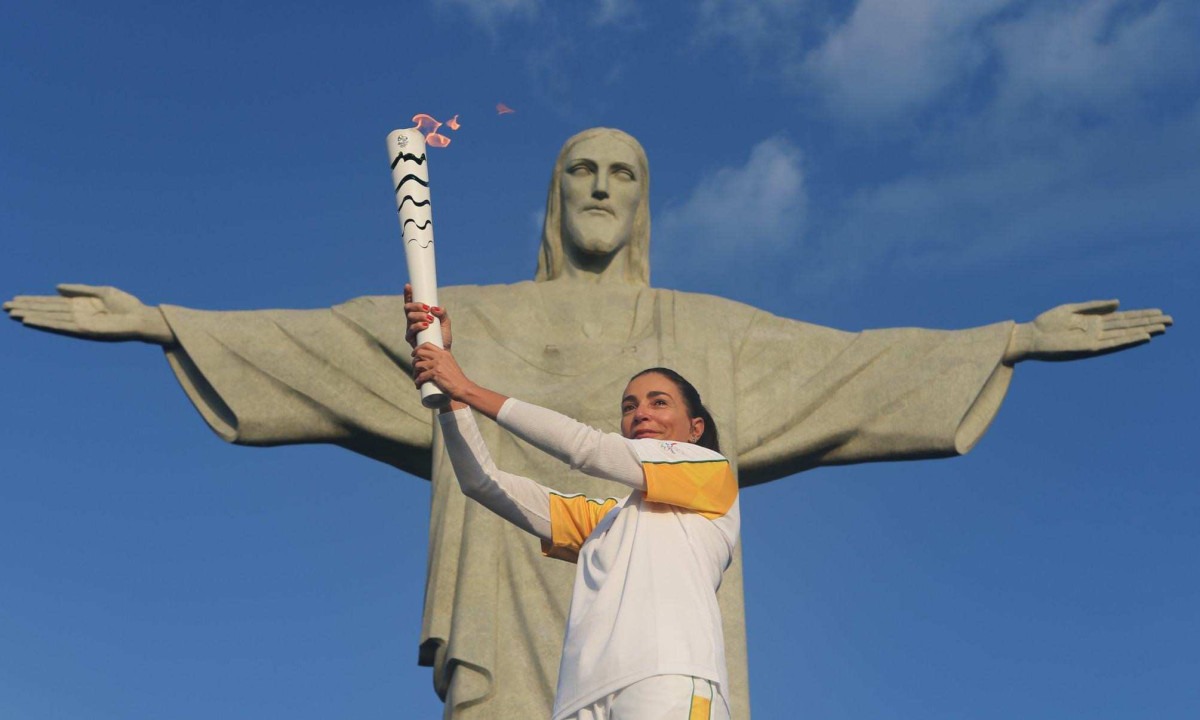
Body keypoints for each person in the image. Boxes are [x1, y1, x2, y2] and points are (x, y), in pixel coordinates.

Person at [2, 128, 1171, 719]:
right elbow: (320, 345)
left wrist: (1006, 338)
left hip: (665, 660)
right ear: (554, 200)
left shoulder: (703, 336)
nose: (602, 188)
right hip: (517, 630)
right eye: (581, 173)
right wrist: (165, 321)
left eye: (623, 172)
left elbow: (848, 370)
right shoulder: (471, 318)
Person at [405, 285, 736, 720]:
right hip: (580, 700)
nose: (641, 414)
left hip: (668, 677)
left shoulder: (711, 476)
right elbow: (482, 482)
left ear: (695, 429)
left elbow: (586, 448)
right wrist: (448, 396)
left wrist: (465, 386)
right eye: (630, 405)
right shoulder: (608, 523)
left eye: (659, 402)